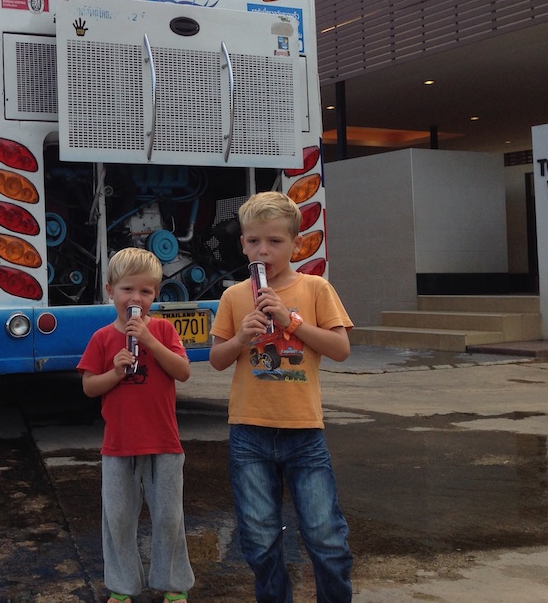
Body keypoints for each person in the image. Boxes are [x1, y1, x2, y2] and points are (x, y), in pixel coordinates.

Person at [209, 191, 354, 603]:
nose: (263, 250)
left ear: (296, 244)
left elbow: (340, 349)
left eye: (274, 241)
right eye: (254, 241)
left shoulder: (315, 288)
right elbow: (217, 359)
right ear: (242, 244)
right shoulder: (234, 296)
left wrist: (290, 321)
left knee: (326, 539)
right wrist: (241, 336)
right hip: (249, 433)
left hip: (304, 432)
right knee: (259, 539)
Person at [77, 247, 195, 603]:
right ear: (110, 290)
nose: (136, 298)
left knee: (169, 519)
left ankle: (173, 584)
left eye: (145, 292)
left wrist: (150, 341)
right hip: (118, 445)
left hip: (164, 443)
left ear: (155, 295)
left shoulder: (162, 329)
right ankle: (123, 586)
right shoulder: (101, 338)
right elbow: (88, 387)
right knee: (118, 521)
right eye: (128, 289)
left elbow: (183, 371)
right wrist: (114, 371)